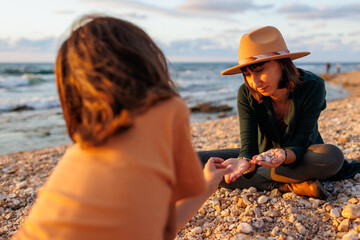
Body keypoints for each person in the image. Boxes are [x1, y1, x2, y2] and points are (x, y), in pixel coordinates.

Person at [13, 15, 232, 240]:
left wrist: (210, 182)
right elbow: (170, 216)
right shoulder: (167, 110)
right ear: (147, 63)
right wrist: (208, 182)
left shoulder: (80, 151)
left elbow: (157, 228)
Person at [198, 26, 348, 200]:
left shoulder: (312, 86)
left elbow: (300, 142)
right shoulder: (246, 93)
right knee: (196, 162)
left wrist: (283, 156)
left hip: (302, 155)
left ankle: (272, 181)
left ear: (282, 64)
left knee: (332, 157)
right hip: (261, 156)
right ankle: (288, 185)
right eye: (247, 74)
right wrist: (244, 161)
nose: (254, 82)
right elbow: (249, 147)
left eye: (260, 70)